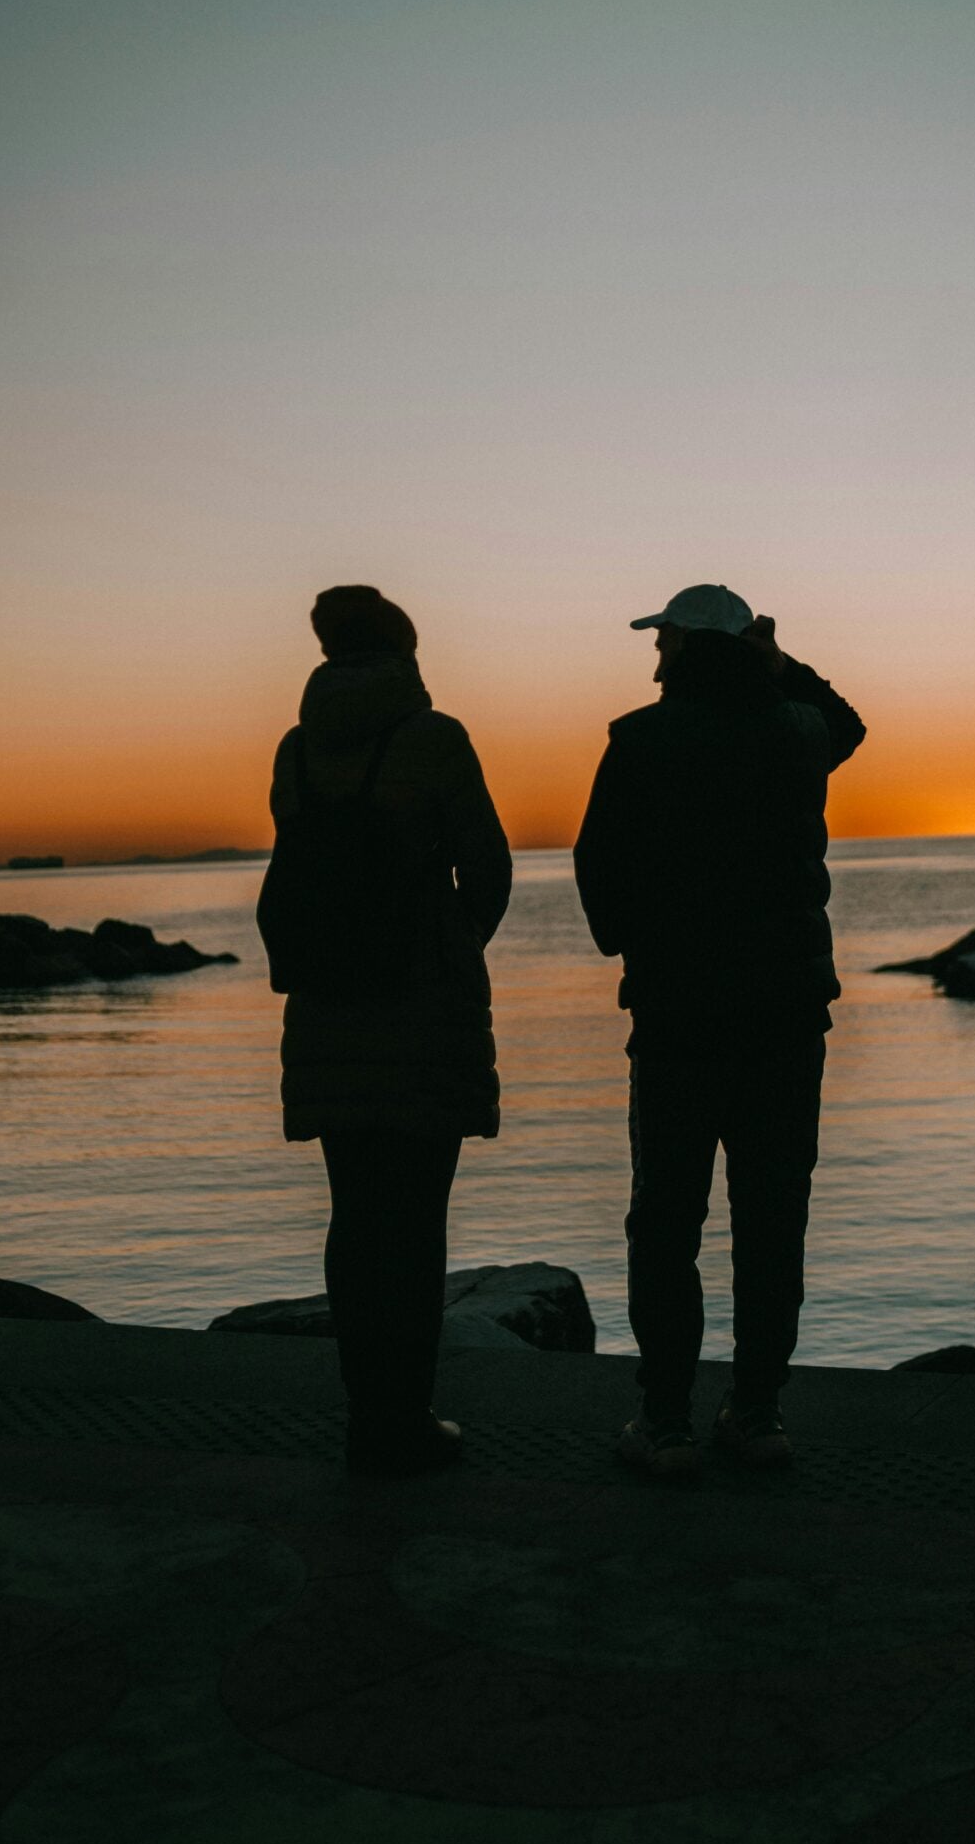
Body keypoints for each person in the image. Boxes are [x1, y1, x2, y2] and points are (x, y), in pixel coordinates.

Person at [573, 583, 865, 1480]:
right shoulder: (796, 734)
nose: (653, 656)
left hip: (677, 1015)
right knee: (773, 1219)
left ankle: (665, 1424)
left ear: (685, 647)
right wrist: (782, 664)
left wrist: (629, 938)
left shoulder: (640, 740)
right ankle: (758, 1413)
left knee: (666, 1221)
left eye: (663, 641)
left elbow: (596, 861)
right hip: (784, 1016)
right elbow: (847, 723)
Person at [263, 585, 511, 1475]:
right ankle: (408, 1416)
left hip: (327, 1013)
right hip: (420, 1015)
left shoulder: (296, 751)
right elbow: (486, 867)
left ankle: (368, 1414)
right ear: (405, 653)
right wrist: (445, 948)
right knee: (416, 1220)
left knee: (354, 1219)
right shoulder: (434, 739)